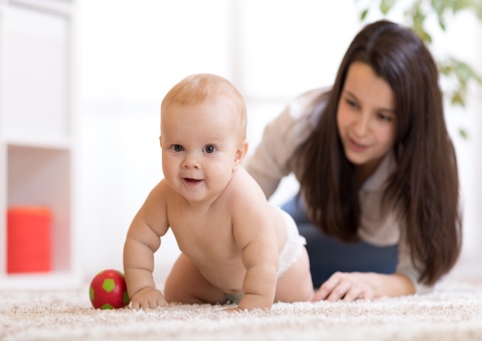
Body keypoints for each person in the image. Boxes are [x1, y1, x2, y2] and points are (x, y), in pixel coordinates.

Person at [245, 20, 462, 302]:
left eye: (383, 116)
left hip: (383, 247)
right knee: (261, 240)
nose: (360, 129)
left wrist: (374, 283)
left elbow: (421, 270)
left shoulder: (428, 157)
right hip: (314, 211)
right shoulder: (302, 122)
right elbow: (240, 194)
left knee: (283, 257)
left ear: (409, 121)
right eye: (351, 103)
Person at [123, 73, 314, 311]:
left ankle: (268, 293)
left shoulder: (243, 196)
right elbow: (139, 240)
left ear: (237, 156)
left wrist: (255, 299)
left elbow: (263, 257)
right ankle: (221, 291)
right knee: (176, 292)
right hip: (210, 269)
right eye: (178, 148)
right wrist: (142, 288)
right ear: (162, 144)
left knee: (297, 301)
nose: (191, 162)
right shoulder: (165, 196)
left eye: (209, 149)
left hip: (279, 264)